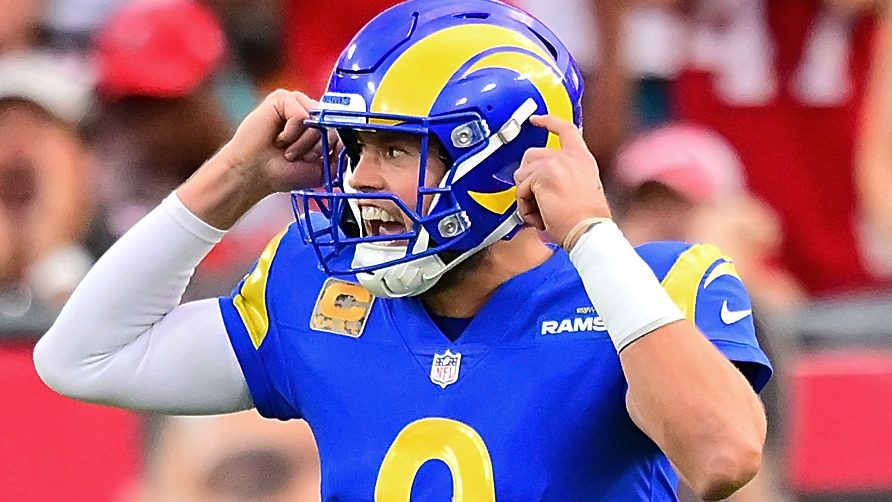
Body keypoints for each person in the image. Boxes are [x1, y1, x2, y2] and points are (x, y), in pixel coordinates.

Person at [33, 1, 771, 500]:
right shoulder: (316, 287)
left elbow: (723, 457)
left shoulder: (652, 283)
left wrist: (590, 235)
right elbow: (81, 357)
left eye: (394, 148)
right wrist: (232, 178)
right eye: (356, 147)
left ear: (501, 158)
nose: (360, 178)